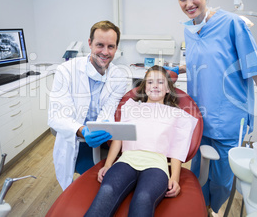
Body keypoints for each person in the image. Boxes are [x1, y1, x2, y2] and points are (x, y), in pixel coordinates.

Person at [165, 0, 257, 215]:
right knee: (198, 179)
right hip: (200, 120)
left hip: (228, 121)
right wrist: (178, 69)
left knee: (221, 182)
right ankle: (202, 210)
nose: (189, 3)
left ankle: (214, 209)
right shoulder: (190, 30)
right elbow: (209, 62)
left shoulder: (232, 24)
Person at [85, 66, 198, 217]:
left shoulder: (176, 115)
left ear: (168, 89)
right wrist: (107, 165)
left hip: (157, 166)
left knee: (143, 198)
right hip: (126, 161)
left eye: (160, 82)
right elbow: (118, 139)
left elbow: (178, 149)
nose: (155, 85)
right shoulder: (131, 107)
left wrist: (174, 178)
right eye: (150, 82)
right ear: (145, 88)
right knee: (107, 190)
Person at [48, 20, 127, 190]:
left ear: (116, 48)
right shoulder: (66, 71)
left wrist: (101, 126)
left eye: (111, 46)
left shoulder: (119, 77)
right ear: (90, 43)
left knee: (104, 184)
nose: (105, 52)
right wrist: (83, 130)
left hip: (101, 142)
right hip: (74, 140)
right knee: (81, 187)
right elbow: (56, 116)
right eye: (100, 45)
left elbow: (108, 110)